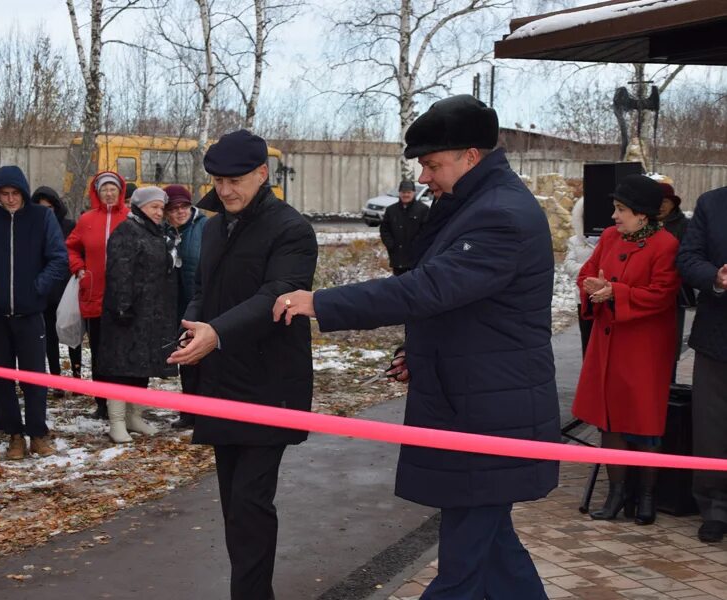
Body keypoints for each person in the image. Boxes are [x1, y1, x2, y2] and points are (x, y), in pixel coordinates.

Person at [273, 95, 558, 600]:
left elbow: (425, 289)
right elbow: (463, 306)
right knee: (493, 551)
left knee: (463, 566)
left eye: (431, 164)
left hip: (488, 409)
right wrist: (421, 354)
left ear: (471, 156)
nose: (424, 178)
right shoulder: (474, 204)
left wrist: (320, 302)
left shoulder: (500, 216)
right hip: (473, 398)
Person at [167, 129, 318, 600]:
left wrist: (217, 332)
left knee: (251, 504)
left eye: (235, 180)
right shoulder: (213, 227)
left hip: (270, 387)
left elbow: (278, 295)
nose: (225, 190)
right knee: (234, 506)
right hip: (221, 384)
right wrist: (193, 321)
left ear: (261, 173)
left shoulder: (291, 228)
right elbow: (204, 289)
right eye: (217, 179)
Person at [571, 174, 680, 526]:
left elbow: (662, 294)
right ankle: (616, 493)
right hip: (608, 343)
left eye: (621, 210)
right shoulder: (608, 236)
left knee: (646, 424)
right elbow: (586, 272)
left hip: (644, 348)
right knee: (610, 421)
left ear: (643, 215)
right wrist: (592, 286)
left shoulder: (665, 245)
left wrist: (616, 293)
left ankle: (646, 497)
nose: (615, 217)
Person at [0, 166, 69, 460]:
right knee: (2, 379)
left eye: (14, 193)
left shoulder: (41, 217)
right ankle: (14, 434)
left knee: (34, 378)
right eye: (4, 194)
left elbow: (58, 258)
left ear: (23, 192)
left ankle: (38, 433)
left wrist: (38, 288)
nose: (9, 200)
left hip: (31, 313)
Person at [97, 186, 177, 443]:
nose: (158, 212)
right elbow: (119, 271)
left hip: (150, 315)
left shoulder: (154, 233)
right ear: (139, 207)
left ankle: (134, 416)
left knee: (141, 366)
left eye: (161, 208)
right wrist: (122, 307)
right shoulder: (126, 231)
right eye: (154, 207)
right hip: (126, 315)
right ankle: (117, 421)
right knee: (120, 367)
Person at [676, 183, 727, 543]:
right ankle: (714, 508)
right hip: (717, 340)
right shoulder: (712, 203)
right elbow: (688, 258)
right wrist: (716, 278)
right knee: (712, 428)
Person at [65, 171, 129, 419]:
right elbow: (71, 247)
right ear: (97, 193)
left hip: (124, 298)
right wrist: (78, 269)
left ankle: (125, 402)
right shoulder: (86, 219)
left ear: (120, 191)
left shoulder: (130, 217)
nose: (109, 193)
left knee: (122, 350)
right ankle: (102, 403)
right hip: (94, 294)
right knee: (100, 351)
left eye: (113, 188)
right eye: (104, 189)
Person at [162, 183, 208, 430]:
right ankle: (190, 412)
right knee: (186, 360)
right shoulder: (165, 232)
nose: (180, 211)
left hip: (201, 303)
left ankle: (207, 411)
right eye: (174, 207)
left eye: (184, 206)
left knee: (204, 359)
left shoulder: (204, 227)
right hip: (176, 306)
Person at [32, 186, 81, 397]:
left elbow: (78, 252)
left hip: (67, 290)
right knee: (49, 337)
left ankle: (77, 378)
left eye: (50, 207)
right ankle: (56, 378)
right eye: (41, 208)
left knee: (73, 335)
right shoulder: (33, 229)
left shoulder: (69, 226)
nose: (46, 211)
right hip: (45, 291)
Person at [658, 181, 695, 378]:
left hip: (674, 294)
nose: (661, 206)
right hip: (649, 292)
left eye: (666, 201)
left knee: (669, 345)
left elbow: (689, 256)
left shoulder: (684, 226)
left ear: (674, 204)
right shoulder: (645, 224)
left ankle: (668, 389)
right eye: (658, 201)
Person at [563, 198, 599, 355]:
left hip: (606, 295)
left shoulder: (612, 239)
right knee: (588, 341)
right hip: (583, 297)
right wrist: (591, 272)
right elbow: (569, 266)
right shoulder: (575, 241)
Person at [380, 179, 430, 275]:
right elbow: (384, 229)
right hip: (397, 257)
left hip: (415, 257)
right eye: (403, 192)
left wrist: (416, 246)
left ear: (414, 193)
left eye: (408, 192)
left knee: (414, 284)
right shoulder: (391, 210)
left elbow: (426, 231)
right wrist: (390, 244)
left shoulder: (423, 210)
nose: (406, 195)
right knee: (399, 285)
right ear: (399, 193)